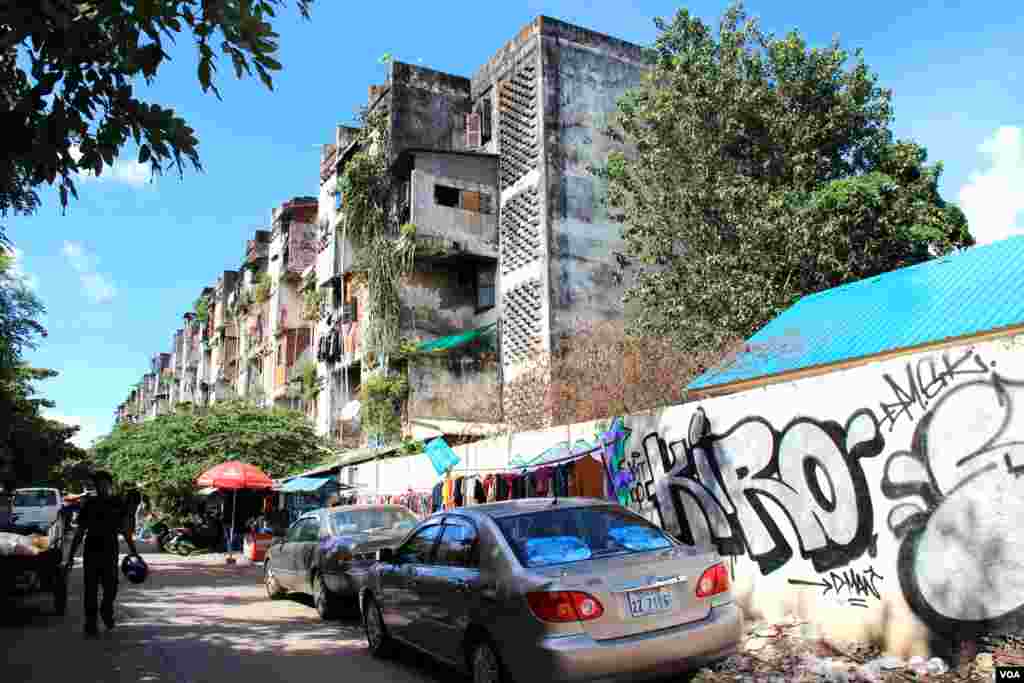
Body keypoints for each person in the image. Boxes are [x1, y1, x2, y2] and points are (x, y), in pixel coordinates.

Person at [65, 471, 140, 637]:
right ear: (96, 486)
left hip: (110, 549)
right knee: (90, 589)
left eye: (104, 483)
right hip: (91, 549)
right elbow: (80, 531)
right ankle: (90, 623)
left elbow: (125, 529)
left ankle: (106, 610)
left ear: (109, 485)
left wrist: (134, 551)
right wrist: (70, 556)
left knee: (111, 586)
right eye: (98, 484)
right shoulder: (89, 504)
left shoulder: (116, 503)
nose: (102, 486)